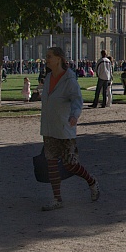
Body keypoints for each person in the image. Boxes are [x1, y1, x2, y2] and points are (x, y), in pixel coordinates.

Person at [36, 47, 101, 211]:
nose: (46, 59)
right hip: (49, 127)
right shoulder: (48, 77)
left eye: (49, 56)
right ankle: (57, 199)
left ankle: (91, 181)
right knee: (51, 164)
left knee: (70, 164)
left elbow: (77, 100)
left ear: (59, 59)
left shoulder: (69, 79)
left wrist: (74, 116)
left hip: (64, 127)